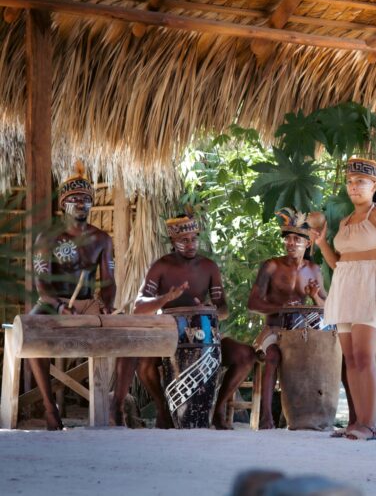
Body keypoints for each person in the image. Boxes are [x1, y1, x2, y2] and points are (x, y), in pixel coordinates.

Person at [110, 214, 256, 429]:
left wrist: (210, 310)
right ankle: (162, 410)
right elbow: (138, 307)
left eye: (194, 239)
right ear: (173, 242)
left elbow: (223, 309)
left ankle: (217, 412)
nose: (191, 244)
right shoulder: (160, 266)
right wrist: (165, 299)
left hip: (205, 336)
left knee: (246, 355)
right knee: (144, 362)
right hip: (168, 335)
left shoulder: (208, 267)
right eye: (184, 240)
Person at [313, 158, 376, 441]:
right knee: (350, 359)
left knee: (364, 357)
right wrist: (323, 242)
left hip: (370, 286)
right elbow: (339, 264)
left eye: (361, 182)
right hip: (344, 286)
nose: (354, 187)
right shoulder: (345, 221)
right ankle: (357, 421)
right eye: (350, 182)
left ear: (374, 185)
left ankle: (370, 424)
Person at [29, 161, 116, 430]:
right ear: (63, 203)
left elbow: (109, 281)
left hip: (89, 302)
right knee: (32, 331)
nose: (81, 203)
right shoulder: (48, 237)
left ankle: (117, 405)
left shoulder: (102, 239)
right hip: (54, 303)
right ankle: (48, 405)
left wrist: (106, 303)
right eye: (74, 199)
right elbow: (42, 286)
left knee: (128, 334)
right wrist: (59, 306)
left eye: (86, 199)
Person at [247, 208, 327, 430]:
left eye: (297, 239)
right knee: (272, 356)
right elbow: (253, 304)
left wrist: (313, 297)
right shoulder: (271, 266)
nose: (290, 243)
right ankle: (265, 419)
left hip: (302, 334)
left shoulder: (314, 269)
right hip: (273, 329)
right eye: (287, 239)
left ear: (308, 243)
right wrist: (281, 308)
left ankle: (309, 416)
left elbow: (325, 307)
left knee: (320, 355)